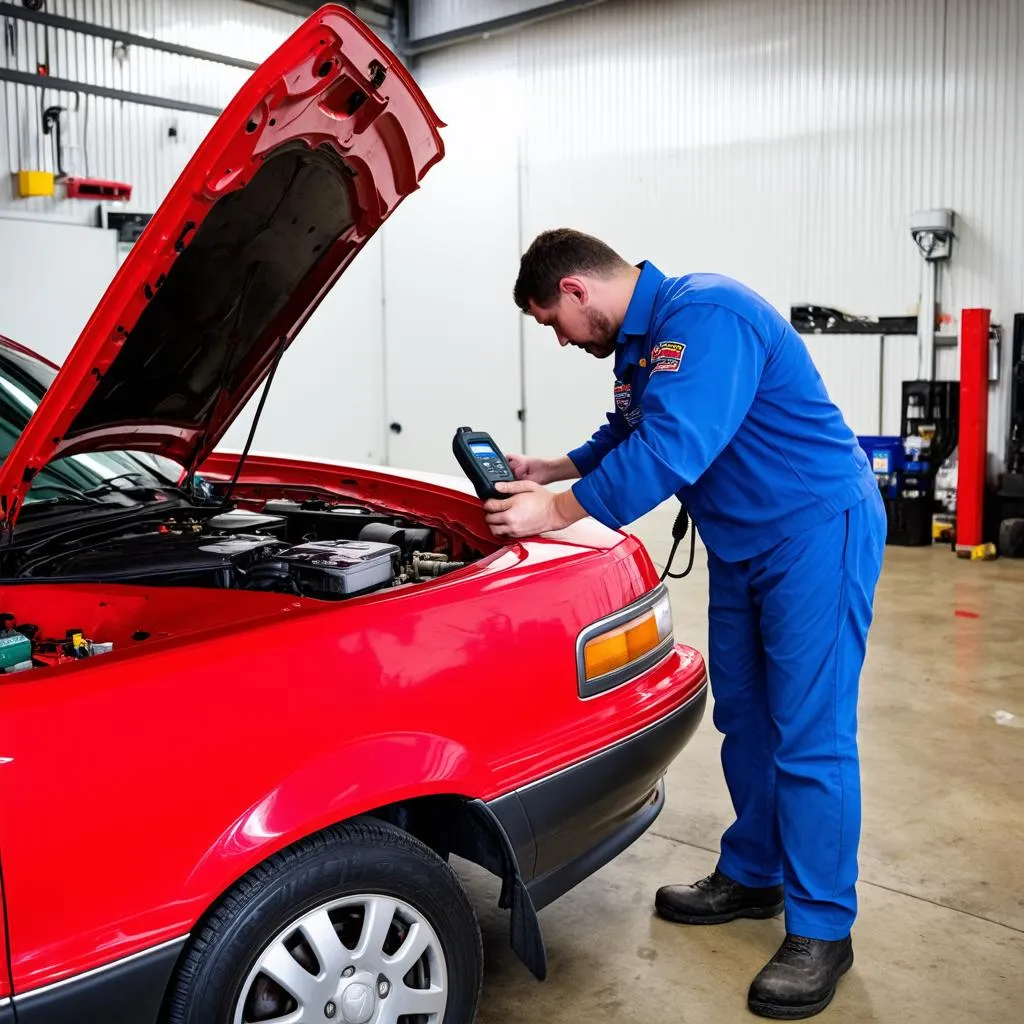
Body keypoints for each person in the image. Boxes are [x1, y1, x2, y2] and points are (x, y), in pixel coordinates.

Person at [485, 228, 887, 1020]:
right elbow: (630, 432)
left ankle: (822, 930)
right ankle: (755, 874)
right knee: (745, 720)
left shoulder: (708, 317)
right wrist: (554, 468)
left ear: (575, 291)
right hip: (743, 544)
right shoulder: (643, 345)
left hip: (813, 531)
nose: (560, 341)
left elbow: (673, 448)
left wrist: (552, 512)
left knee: (810, 733)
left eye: (550, 324)